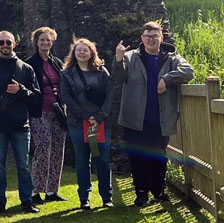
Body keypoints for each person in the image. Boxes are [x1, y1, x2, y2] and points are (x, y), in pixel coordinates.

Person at [113, 21, 194, 207]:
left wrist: (167, 78)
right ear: (142, 38)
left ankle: (158, 191)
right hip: (134, 118)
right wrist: (118, 59)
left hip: (161, 117)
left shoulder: (172, 57)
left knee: (159, 156)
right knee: (138, 157)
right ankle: (141, 193)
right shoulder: (130, 56)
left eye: (154, 36)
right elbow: (119, 77)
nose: (151, 39)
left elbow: (188, 71)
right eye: (147, 36)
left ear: (161, 37)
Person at [0, 30, 41, 213]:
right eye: (2, 43)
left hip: (21, 126)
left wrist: (21, 90)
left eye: (9, 42)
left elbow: (36, 97)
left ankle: (27, 201)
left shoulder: (26, 69)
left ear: (14, 44)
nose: (5, 46)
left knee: (23, 166)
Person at [60, 38, 114, 210]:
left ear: (92, 52)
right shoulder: (67, 73)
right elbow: (66, 97)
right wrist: (85, 115)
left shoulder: (101, 71)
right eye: (79, 50)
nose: (82, 52)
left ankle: (107, 197)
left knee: (103, 160)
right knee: (82, 160)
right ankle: (84, 197)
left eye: (85, 50)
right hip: (78, 122)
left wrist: (99, 116)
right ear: (74, 53)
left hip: (101, 122)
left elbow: (110, 94)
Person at [25, 26, 68, 205]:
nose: (45, 42)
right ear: (37, 42)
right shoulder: (30, 63)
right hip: (39, 111)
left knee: (58, 149)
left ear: (52, 42)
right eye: (42, 39)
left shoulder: (57, 62)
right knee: (43, 148)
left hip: (57, 112)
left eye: (48, 39)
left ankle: (52, 190)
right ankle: (36, 191)